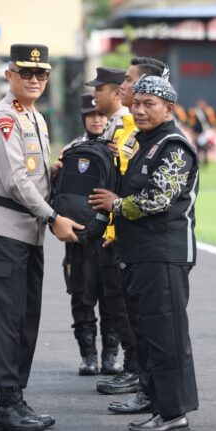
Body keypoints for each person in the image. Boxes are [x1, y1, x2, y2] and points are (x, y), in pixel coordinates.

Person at [0, 43, 83, 431]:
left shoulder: (34, 117)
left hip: (27, 233)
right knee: (6, 320)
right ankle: (5, 406)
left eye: (42, 74)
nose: (35, 80)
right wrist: (53, 216)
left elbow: (33, 175)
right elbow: (15, 180)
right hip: (3, 230)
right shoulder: (2, 118)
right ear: (10, 76)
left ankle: (16, 398)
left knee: (25, 320)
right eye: (27, 73)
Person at [90, 75, 200, 431]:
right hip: (139, 254)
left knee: (165, 335)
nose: (139, 110)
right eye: (136, 103)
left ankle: (173, 412)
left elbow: (158, 198)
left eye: (149, 104)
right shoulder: (141, 142)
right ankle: (158, 404)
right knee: (147, 334)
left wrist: (116, 205)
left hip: (163, 255)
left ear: (169, 108)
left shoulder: (174, 145)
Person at [98, 56, 169, 414]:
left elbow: (148, 195)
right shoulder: (133, 132)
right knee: (128, 311)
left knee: (148, 321)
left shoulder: (161, 139)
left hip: (150, 242)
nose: (124, 87)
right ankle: (142, 382)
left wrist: (114, 215)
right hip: (126, 235)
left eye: (130, 81)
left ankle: (149, 389)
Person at [60, 93, 124, 376]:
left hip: (110, 235)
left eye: (101, 115)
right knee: (82, 296)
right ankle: (88, 356)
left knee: (113, 297)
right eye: (91, 115)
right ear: (83, 118)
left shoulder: (119, 147)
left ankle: (111, 355)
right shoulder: (70, 150)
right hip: (80, 234)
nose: (97, 119)